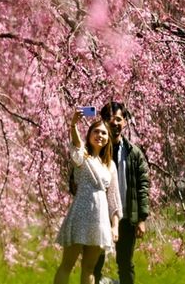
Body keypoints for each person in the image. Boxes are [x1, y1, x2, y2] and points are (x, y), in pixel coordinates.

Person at [54, 110, 122, 284]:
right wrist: (73, 124)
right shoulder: (82, 156)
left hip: (99, 220)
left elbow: (114, 198)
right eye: (96, 131)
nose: (100, 135)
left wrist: (115, 227)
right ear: (89, 135)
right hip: (80, 216)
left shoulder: (110, 165)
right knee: (67, 265)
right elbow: (76, 144)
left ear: (108, 138)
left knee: (89, 269)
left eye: (104, 133)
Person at [92, 102, 150, 284]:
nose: (114, 122)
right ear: (103, 121)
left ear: (125, 122)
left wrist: (141, 219)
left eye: (118, 119)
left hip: (126, 217)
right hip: (100, 217)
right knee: (94, 264)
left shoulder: (134, 153)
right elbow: (76, 181)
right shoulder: (94, 151)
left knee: (125, 264)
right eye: (109, 118)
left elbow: (143, 186)